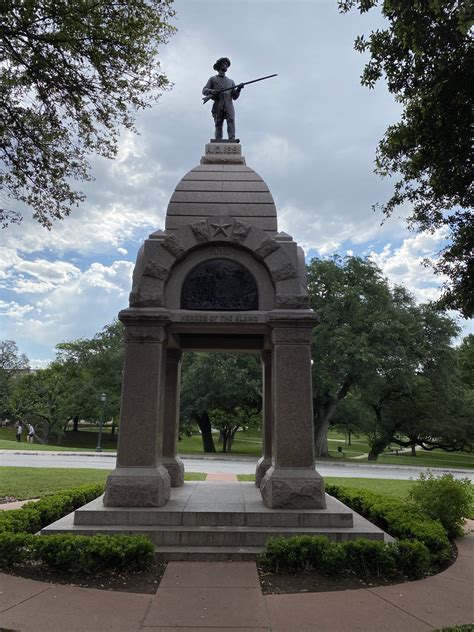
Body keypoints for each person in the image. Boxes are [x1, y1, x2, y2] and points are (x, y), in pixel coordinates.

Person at [202, 57, 243, 141]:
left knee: (231, 121)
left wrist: (239, 89)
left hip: (229, 104)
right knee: (218, 123)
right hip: (218, 103)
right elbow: (204, 90)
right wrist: (212, 91)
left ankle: (232, 138)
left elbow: (234, 96)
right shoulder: (213, 79)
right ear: (219, 66)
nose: (226, 66)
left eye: (227, 65)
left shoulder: (231, 81)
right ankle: (218, 139)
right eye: (224, 64)